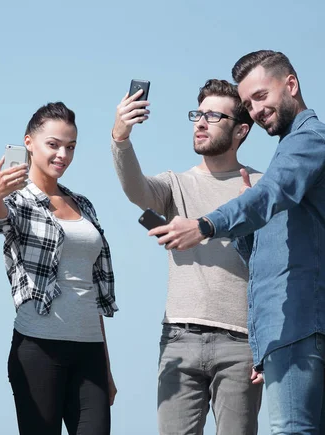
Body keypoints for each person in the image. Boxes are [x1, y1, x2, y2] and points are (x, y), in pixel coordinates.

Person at [154, 50, 325, 434]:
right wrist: (248, 230)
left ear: (291, 85)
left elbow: (270, 194)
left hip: (296, 318)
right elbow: (272, 243)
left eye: (261, 96)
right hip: (287, 324)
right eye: (248, 103)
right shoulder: (294, 149)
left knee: (290, 429)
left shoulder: (309, 141)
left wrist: (206, 224)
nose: (257, 109)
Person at [111, 78, 263, 434]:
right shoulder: (175, 184)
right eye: (198, 114)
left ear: (241, 130)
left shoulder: (260, 186)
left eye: (213, 116)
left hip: (241, 343)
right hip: (179, 338)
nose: (200, 122)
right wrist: (120, 137)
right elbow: (137, 190)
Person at [0, 102, 117, 435]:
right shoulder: (16, 199)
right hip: (38, 348)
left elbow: (89, 288)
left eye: (70, 147)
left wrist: (106, 367)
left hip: (89, 350)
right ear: (28, 142)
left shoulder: (83, 204)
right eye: (54, 144)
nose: (63, 154)